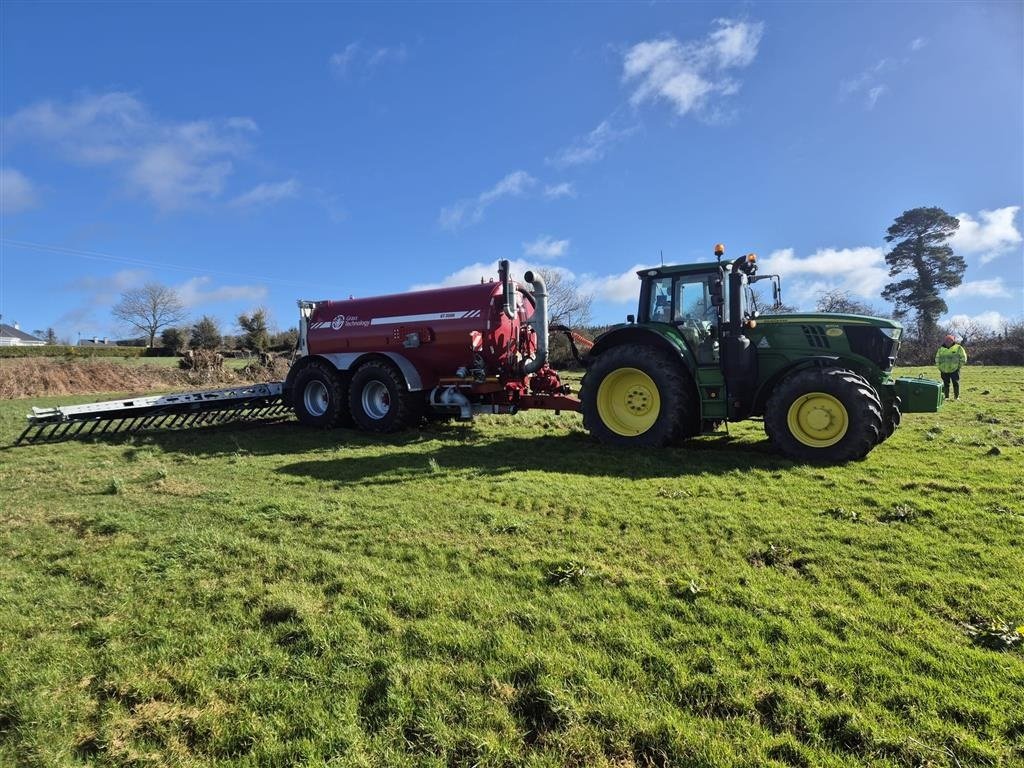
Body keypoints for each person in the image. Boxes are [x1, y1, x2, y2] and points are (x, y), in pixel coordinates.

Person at [935, 334, 967, 400]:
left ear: (953, 341)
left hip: (955, 369)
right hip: (944, 370)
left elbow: (963, 358)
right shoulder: (941, 349)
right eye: (947, 340)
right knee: (945, 384)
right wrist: (939, 367)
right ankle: (946, 397)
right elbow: (937, 358)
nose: (948, 342)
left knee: (955, 383)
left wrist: (959, 366)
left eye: (950, 340)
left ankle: (956, 397)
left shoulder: (958, 348)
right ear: (945, 341)